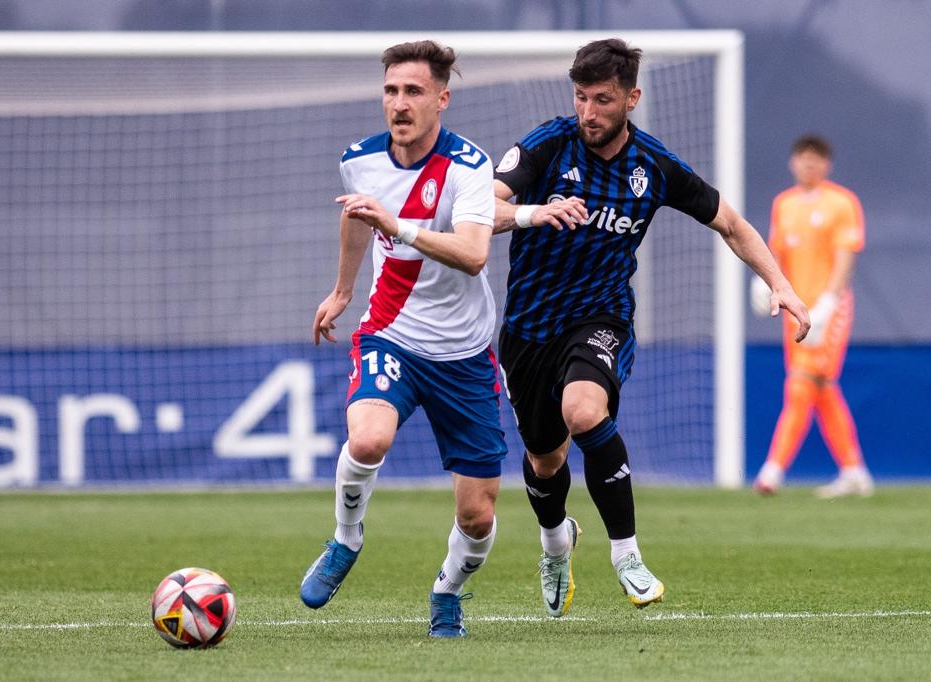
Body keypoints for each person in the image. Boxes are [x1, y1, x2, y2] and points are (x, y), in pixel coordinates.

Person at [492, 39, 809, 616]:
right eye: (581, 97)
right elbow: (478, 210)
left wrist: (781, 285)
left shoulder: (653, 166)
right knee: (545, 460)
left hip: (600, 316)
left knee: (583, 410)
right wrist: (532, 212)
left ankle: (627, 555)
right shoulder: (547, 144)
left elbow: (731, 224)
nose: (588, 112)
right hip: (528, 328)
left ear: (631, 98)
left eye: (603, 100)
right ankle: (556, 541)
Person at [299, 41, 504, 638]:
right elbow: (354, 216)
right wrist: (343, 290)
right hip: (392, 334)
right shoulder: (360, 160)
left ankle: (447, 592)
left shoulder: (469, 166)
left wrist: (399, 226)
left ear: (442, 99)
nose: (399, 103)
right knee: (368, 439)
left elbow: (473, 254)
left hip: (464, 354)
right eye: (391, 90)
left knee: (478, 514)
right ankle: (345, 539)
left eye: (413, 91)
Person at [751, 135, 873, 498]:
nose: (809, 164)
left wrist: (828, 303)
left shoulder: (841, 203)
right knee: (822, 387)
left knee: (802, 382)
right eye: (803, 158)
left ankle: (773, 470)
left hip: (829, 310)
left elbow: (845, 257)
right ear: (793, 162)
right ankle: (854, 470)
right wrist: (764, 283)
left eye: (816, 159)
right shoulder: (784, 204)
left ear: (826, 164)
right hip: (796, 308)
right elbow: (776, 252)